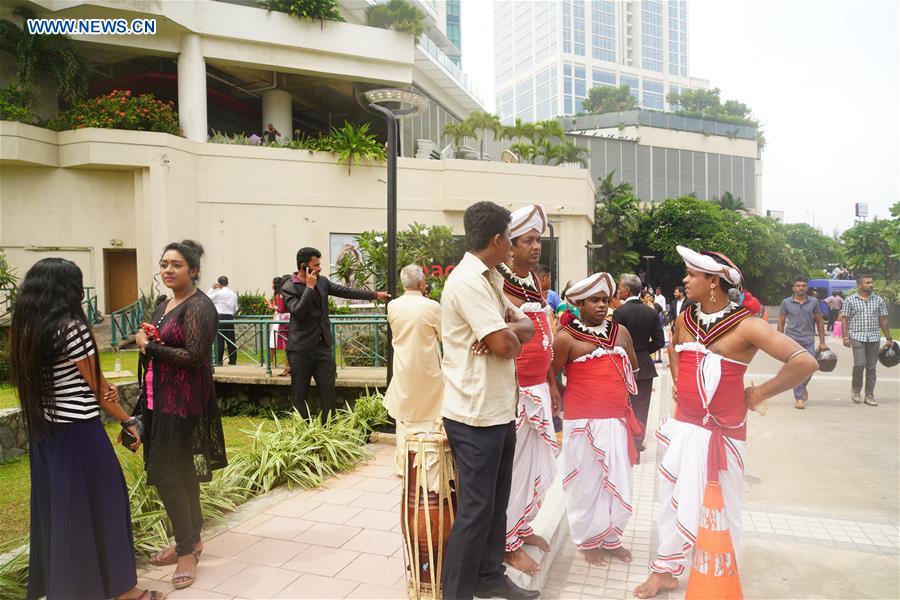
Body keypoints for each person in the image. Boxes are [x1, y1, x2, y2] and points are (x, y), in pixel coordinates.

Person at [634, 245, 818, 599]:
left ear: (713, 282)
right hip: (684, 426)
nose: (685, 280)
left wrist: (761, 393)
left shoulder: (748, 325)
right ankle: (665, 570)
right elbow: (674, 349)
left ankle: (718, 574)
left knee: (722, 506)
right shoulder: (684, 319)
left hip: (724, 431)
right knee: (671, 500)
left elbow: (804, 362)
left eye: (692, 275)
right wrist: (678, 384)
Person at [10, 258, 165, 600]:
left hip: (46, 434)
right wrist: (128, 420)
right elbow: (98, 387)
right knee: (108, 504)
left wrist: (104, 388)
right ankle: (126, 593)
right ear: (69, 289)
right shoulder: (71, 328)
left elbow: (92, 383)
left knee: (63, 513)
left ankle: (70, 589)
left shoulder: (27, 329)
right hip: (80, 434)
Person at [440, 201, 537, 600]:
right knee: (476, 511)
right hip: (474, 415)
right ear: (498, 240)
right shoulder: (467, 282)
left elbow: (528, 327)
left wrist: (506, 333)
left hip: (498, 409)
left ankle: (489, 576)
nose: (514, 244)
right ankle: (457, 593)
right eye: (512, 238)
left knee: (496, 505)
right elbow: (505, 344)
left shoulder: (492, 277)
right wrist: (504, 336)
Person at [135, 241, 227, 591]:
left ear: (194, 271)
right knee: (183, 473)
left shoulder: (200, 307)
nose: (168, 270)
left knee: (166, 475)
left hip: (183, 404)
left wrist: (150, 346)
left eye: (176, 265)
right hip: (159, 401)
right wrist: (148, 337)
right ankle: (193, 540)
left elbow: (194, 355)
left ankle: (186, 551)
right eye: (164, 264)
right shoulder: (164, 303)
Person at [553, 273, 640, 567]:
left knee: (617, 480)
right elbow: (551, 374)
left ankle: (612, 538)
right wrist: (564, 397)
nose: (602, 306)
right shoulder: (566, 337)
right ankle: (588, 540)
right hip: (582, 421)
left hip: (615, 419)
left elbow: (633, 368)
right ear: (578, 304)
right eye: (594, 300)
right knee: (586, 483)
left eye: (605, 299)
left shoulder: (622, 333)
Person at [496, 204, 561, 575]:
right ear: (511, 245)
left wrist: (552, 383)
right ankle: (507, 542)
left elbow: (545, 337)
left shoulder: (534, 281)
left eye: (538, 240)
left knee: (538, 464)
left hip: (539, 387)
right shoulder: (501, 282)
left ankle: (521, 526)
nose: (535, 247)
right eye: (527, 241)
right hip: (517, 392)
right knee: (517, 468)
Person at [280, 247, 390, 422]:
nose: (319, 268)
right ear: (304, 266)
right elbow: (297, 311)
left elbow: (345, 291)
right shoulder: (289, 286)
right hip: (300, 349)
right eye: (316, 265)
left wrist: (375, 294)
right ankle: (304, 434)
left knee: (328, 392)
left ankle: (328, 429)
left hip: (322, 347)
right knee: (299, 396)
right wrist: (309, 288)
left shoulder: (322, 282)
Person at [384, 264, 443, 474]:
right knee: (430, 417)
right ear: (421, 283)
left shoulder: (393, 306)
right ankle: (429, 467)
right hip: (428, 370)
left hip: (403, 368)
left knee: (405, 418)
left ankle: (404, 466)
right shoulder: (432, 307)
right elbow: (443, 334)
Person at [613, 274, 665, 460]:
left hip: (623, 366)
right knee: (642, 406)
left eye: (619, 287)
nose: (618, 290)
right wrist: (642, 351)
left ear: (627, 290)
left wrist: (630, 353)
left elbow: (615, 342)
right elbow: (660, 341)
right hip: (644, 365)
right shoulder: (651, 312)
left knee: (624, 404)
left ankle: (625, 441)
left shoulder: (619, 313)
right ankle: (637, 441)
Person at [840, 274, 893, 407]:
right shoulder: (850, 300)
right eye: (867, 283)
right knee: (860, 364)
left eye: (871, 282)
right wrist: (845, 337)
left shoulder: (878, 300)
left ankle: (869, 395)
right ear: (859, 285)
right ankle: (856, 389)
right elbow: (845, 319)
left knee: (871, 367)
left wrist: (888, 338)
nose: (871, 285)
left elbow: (883, 319)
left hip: (874, 337)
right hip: (857, 336)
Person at [778, 277, 828, 409]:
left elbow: (819, 321)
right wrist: (778, 340)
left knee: (812, 367)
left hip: (808, 340)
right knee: (797, 369)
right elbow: (781, 321)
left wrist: (822, 342)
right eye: (798, 285)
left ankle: (802, 385)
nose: (801, 287)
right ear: (793, 288)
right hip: (791, 341)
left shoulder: (814, 302)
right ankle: (798, 397)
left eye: (804, 285)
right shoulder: (786, 303)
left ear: (807, 288)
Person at [206, 275, 238, 366]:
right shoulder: (233, 294)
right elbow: (235, 308)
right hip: (230, 317)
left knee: (219, 340)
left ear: (219, 284)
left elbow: (207, 298)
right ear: (227, 282)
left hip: (220, 317)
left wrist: (212, 288)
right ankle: (233, 360)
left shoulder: (218, 293)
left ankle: (219, 360)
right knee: (231, 339)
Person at [265, 276, 290, 376]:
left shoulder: (282, 294)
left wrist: (272, 306)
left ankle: (285, 367)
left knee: (285, 344)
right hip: (282, 318)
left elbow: (281, 309)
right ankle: (272, 363)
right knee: (283, 343)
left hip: (282, 320)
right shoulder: (281, 293)